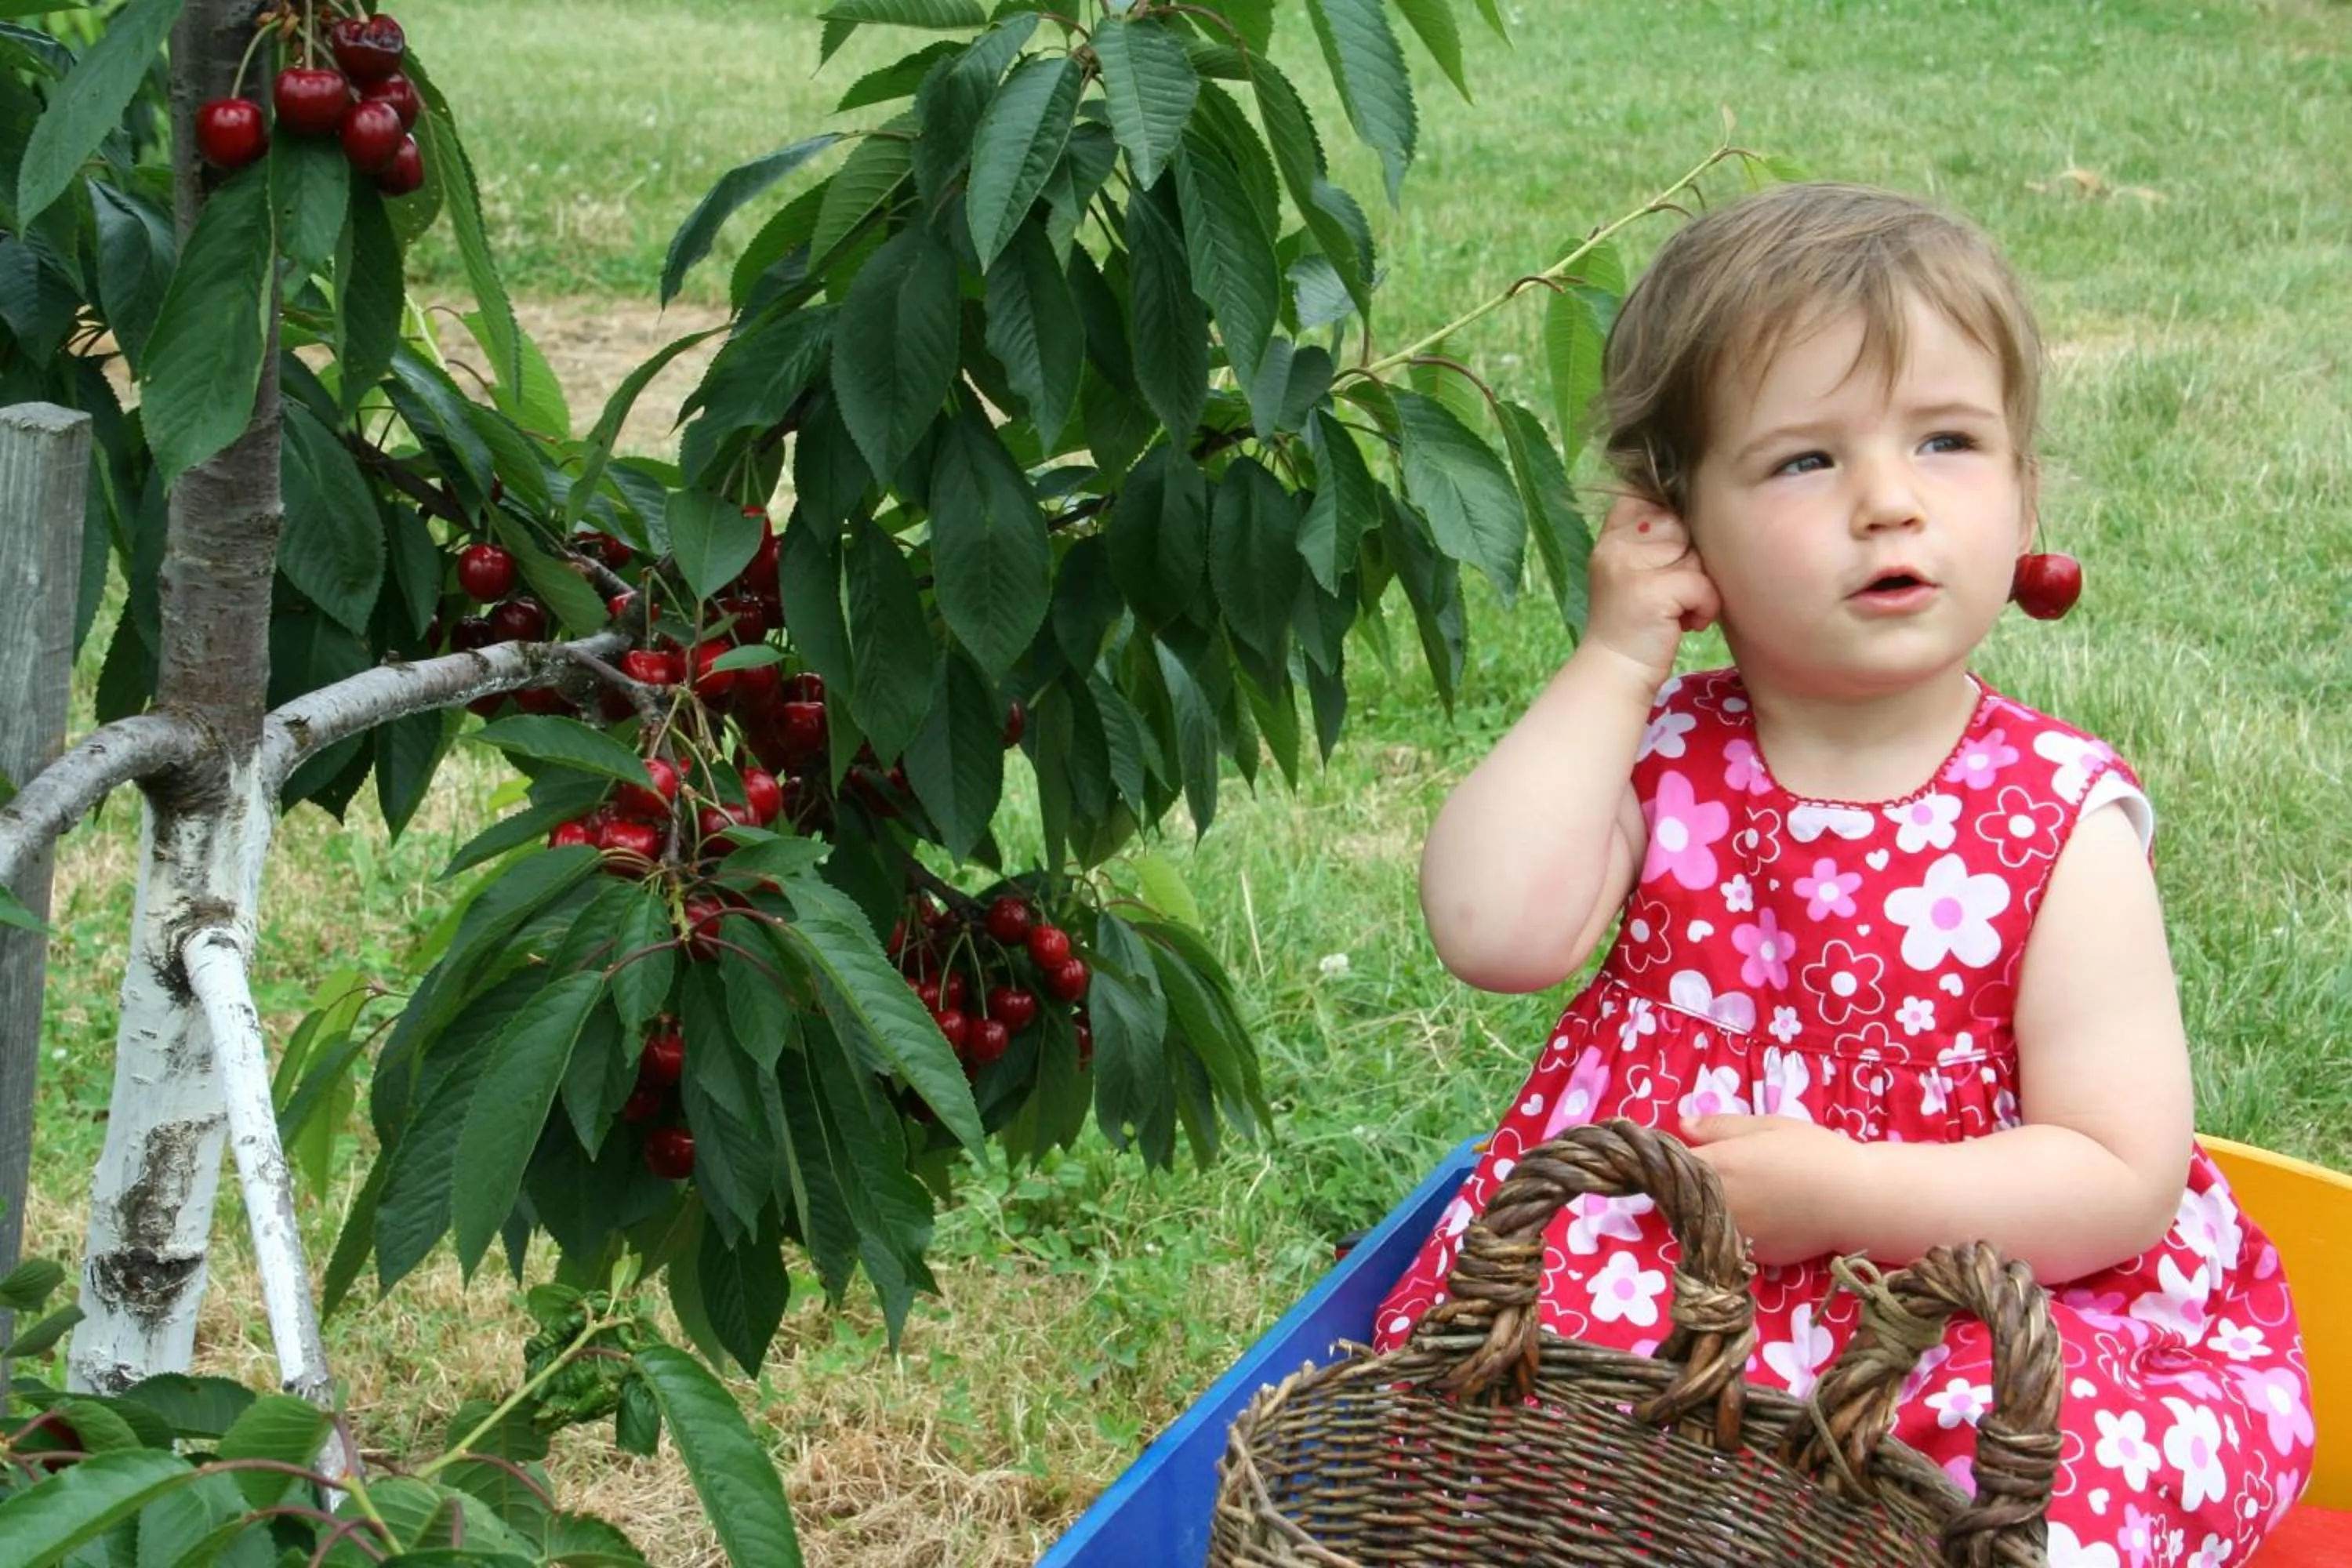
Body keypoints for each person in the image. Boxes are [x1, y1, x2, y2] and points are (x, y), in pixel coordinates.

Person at [1370, 183, 2312, 1563]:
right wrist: (1617, 659)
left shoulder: (2058, 821)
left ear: (2026, 490)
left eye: (1948, 440)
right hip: (1674, 1276)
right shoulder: (1659, 753)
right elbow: (1489, 929)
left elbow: (2121, 1175)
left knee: (2015, 1463)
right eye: (1806, 460)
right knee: (1536, 1390)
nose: (1888, 502)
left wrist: (1855, 1197)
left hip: (1968, 1289)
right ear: (1675, 524)